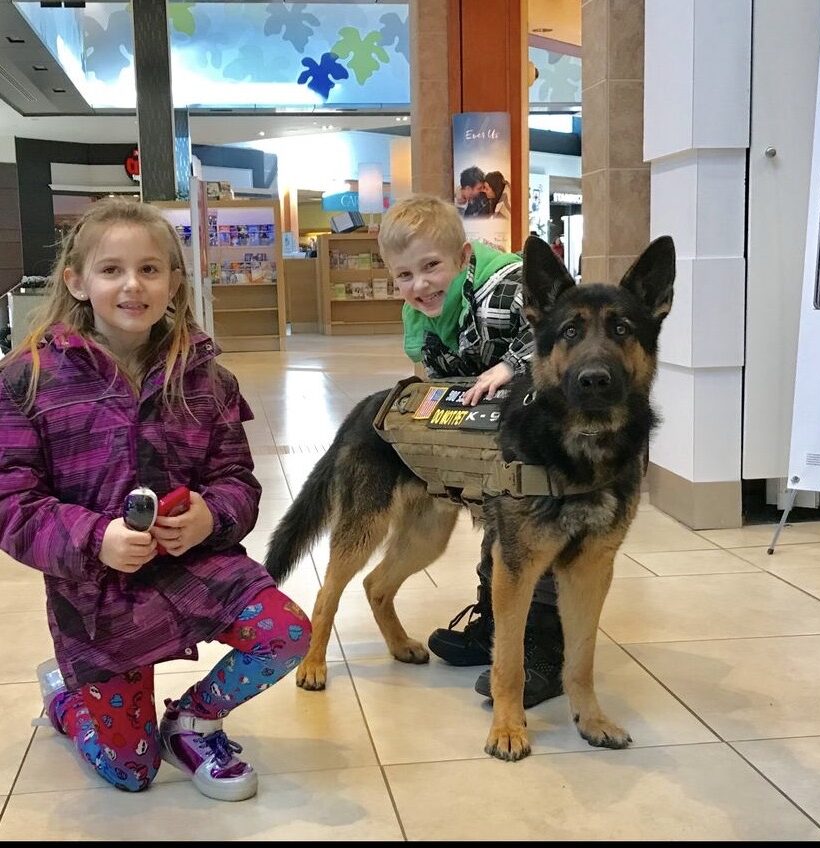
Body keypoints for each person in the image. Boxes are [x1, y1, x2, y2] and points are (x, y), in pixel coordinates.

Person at [0, 199, 312, 801]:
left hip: (195, 567)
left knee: (286, 631)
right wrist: (96, 540)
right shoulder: (26, 379)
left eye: (150, 269)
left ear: (174, 280)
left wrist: (210, 517)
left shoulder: (209, 379)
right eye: (111, 269)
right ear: (77, 281)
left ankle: (193, 723)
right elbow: (13, 502)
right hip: (96, 594)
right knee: (129, 772)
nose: (132, 285)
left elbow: (237, 482)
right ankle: (69, 702)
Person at [377, 195, 564, 708]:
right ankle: (495, 623)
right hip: (500, 436)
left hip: (550, 436)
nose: (420, 286)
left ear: (462, 258)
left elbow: (561, 330)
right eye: (404, 276)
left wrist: (511, 365)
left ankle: (544, 648)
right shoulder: (420, 316)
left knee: (536, 531)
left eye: (431, 267)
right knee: (497, 523)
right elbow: (438, 376)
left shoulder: (505, 289)